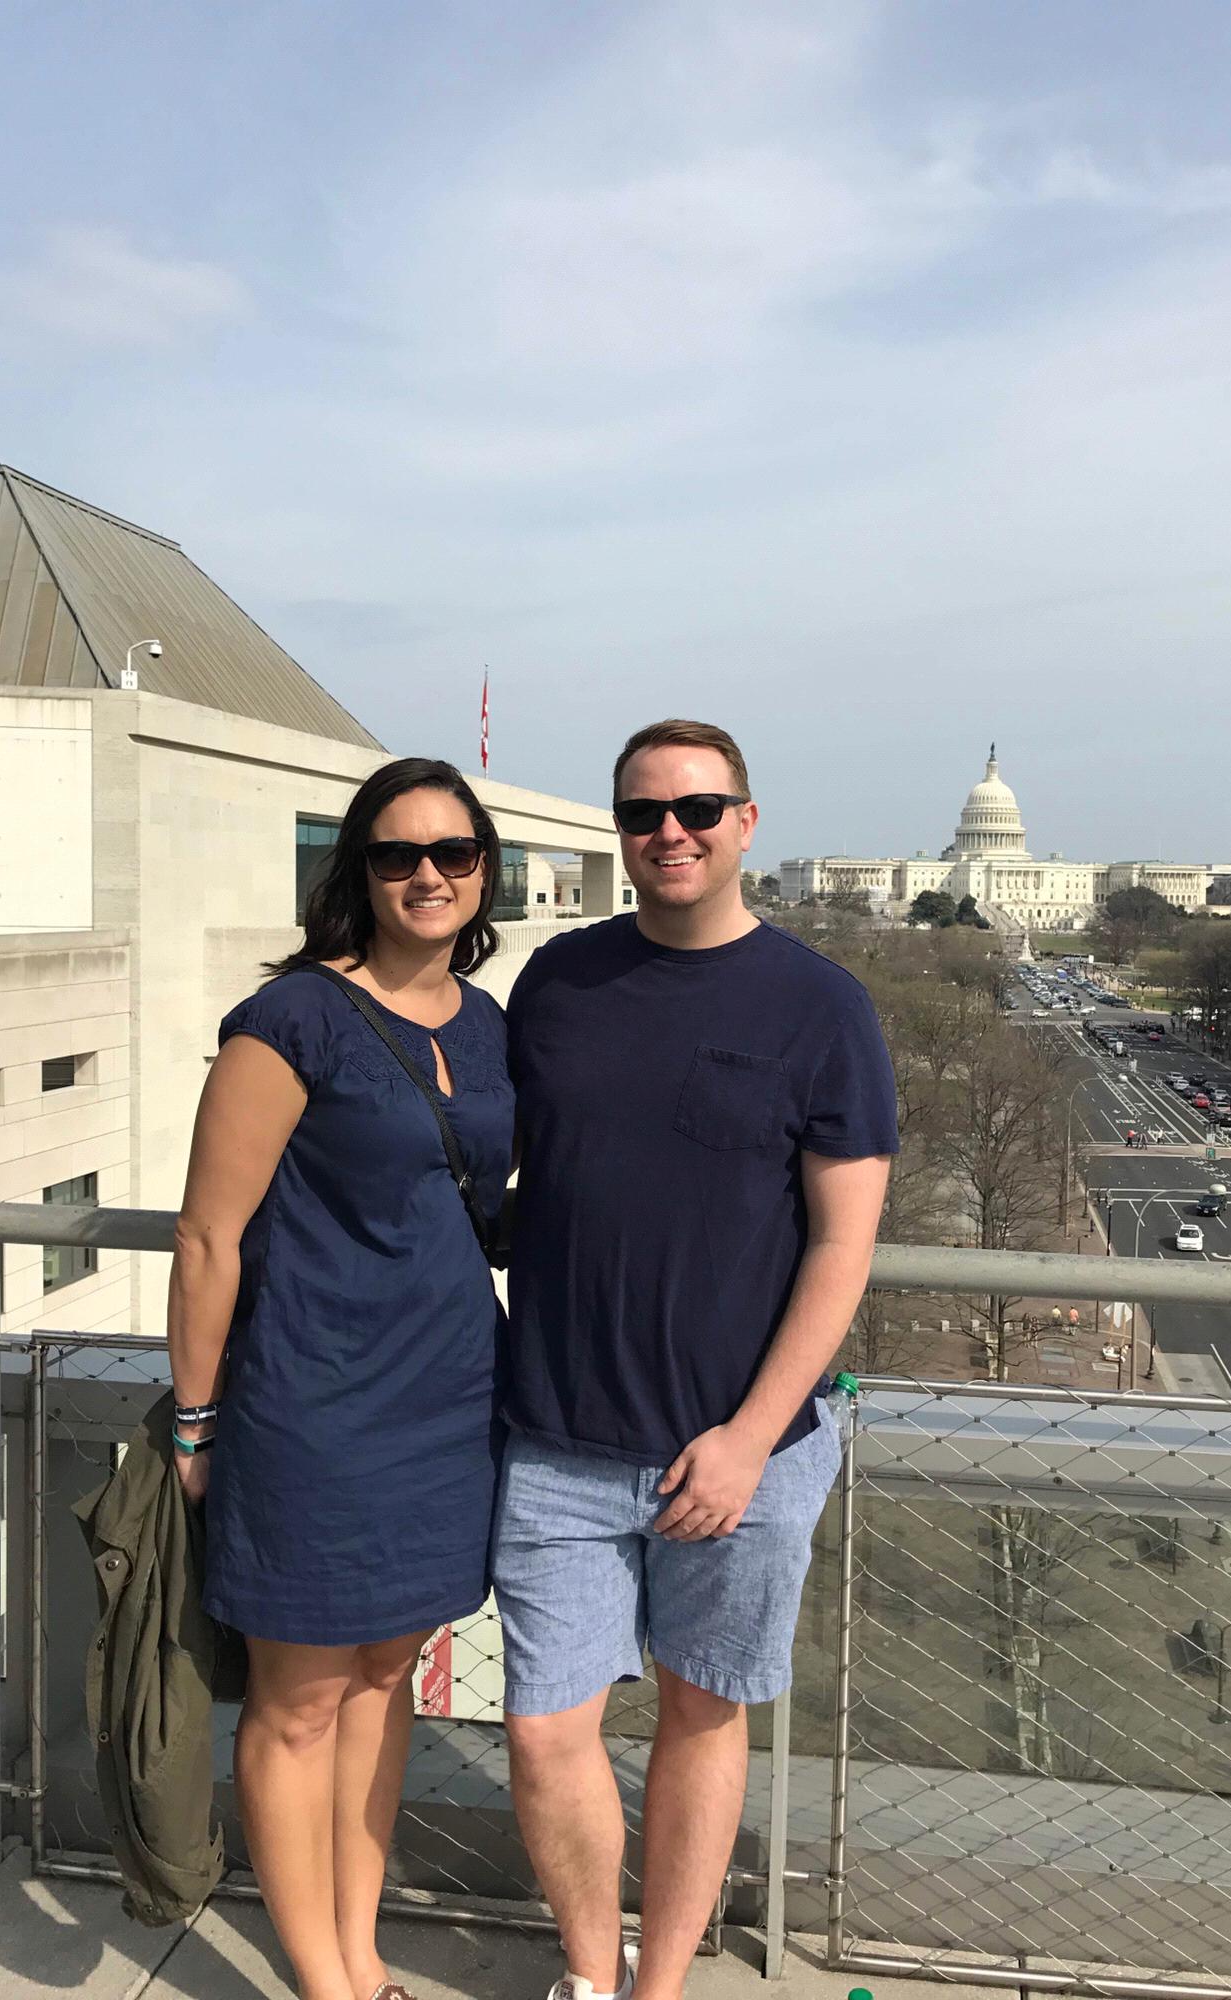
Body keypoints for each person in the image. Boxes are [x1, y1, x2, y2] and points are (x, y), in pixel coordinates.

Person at [496, 720, 897, 2000]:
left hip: (742, 1451)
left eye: (698, 808)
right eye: (643, 813)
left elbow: (843, 1241)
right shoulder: (556, 983)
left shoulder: (822, 1006)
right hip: (557, 1433)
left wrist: (746, 1433)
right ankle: (589, 1971)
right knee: (544, 1724)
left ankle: (658, 1983)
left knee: (700, 1714)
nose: (670, 832)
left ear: (746, 821)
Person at [166, 757, 513, 2000]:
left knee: (383, 1683)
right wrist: (196, 1422)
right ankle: (322, 1977)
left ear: (485, 875)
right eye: (396, 854)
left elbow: (473, 1200)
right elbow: (208, 1236)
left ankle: (362, 1950)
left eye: (453, 854)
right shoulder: (292, 1020)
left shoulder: (485, 1022)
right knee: (299, 1697)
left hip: (447, 1404)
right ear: (356, 872)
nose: (426, 874)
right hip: (310, 1402)